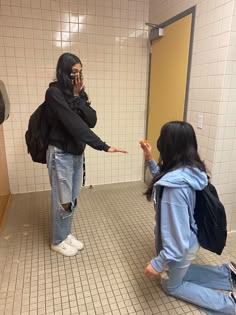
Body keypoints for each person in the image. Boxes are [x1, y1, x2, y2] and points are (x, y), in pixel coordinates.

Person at [140, 121, 236, 315]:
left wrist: (158, 263)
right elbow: (164, 177)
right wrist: (150, 159)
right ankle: (228, 276)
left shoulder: (173, 190)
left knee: (171, 286)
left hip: (184, 245)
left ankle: (230, 305)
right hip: (192, 237)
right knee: (175, 273)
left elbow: (177, 241)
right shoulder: (188, 170)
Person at [45, 52, 127, 256]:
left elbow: (91, 120)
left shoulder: (77, 94)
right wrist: (103, 146)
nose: (78, 77)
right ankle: (57, 240)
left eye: (80, 72)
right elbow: (73, 125)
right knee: (62, 199)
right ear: (63, 72)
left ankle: (65, 233)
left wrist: (77, 96)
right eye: (73, 72)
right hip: (61, 153)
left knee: (72, 197)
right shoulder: (53, 93)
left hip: (76, 153)